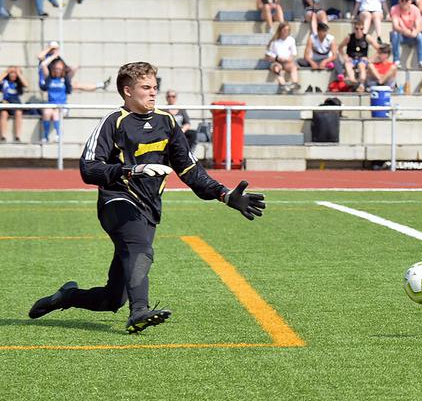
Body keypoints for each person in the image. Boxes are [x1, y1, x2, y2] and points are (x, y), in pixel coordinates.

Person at [28, 61, 266, 334]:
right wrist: (130, 170)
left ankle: (66, 296)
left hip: (148, 209)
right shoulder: (112, 122)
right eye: (146, 88)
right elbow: (89, 168)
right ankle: (139, 312)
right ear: (127, 91)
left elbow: (190, 171)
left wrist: (223, 194)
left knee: (112, 298)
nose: (153, 93)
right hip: (117, 201)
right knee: (140, 248)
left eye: (155, 87)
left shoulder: (167, 122)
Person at [38, 55, 106, 143]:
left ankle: (58, 135)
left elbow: (75, 67)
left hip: (62, 105)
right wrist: (54, 56)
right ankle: (45, 136)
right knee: (47, 112)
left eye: (60, 69)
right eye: (56, 68)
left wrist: (64, 66)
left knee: (55, 113)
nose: (57, 70)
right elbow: (43, 65)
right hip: (51, 104)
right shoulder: (49, 78)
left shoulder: (65, 79)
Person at [340, 20, 378, 92]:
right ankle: (353, 80)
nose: (359, 31)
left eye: (361, 29)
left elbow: (378, 49)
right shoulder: (349, 37)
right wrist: (345, 57)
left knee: (361, 66)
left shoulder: (367, 37)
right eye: (356, 29)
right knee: (348, 65)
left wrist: (370, 59)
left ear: (363, 29)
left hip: (362, 58)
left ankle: (361, 84)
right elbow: (340, 47)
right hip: (351, 58)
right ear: (354, 29)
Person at [390, 0, 422, 68]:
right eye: (402, 0)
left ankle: (421, 61)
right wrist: (405, 31)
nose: (404, 2)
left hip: (412, 33)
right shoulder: (394, 9)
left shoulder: (415, 9)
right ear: (399, 1)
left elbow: (419, 26)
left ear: (410, 1)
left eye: (406, 0)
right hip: (401, 34)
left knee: (420, 36)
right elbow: (395, 26)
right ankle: (396, 60)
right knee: (395, 34)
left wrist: (414, 32)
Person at [265, 23, 300, 94]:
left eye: (287, 30)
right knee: (276, 68)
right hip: (277, 61)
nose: (286, 32)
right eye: (284, 30)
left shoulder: (291, 40)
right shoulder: (274, 41)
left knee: (293, 67)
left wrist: (288, 59)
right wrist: (277, 58)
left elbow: (293, 53)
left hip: (287, 61)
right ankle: (283, 84)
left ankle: (295, 83)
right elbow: (268, 55)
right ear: (280, 30)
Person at [1, 67, 27, 143]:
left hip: (16, 103)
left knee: (19, 113)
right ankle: (3, 136)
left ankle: (17, 136)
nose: (13, 75)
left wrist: (18, 73)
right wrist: (6, 72)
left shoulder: (18, 83)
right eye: (11, 73)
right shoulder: (5, 82)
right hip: (6, 103)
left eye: (14, 73)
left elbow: (26, 84)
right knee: (3, 114)